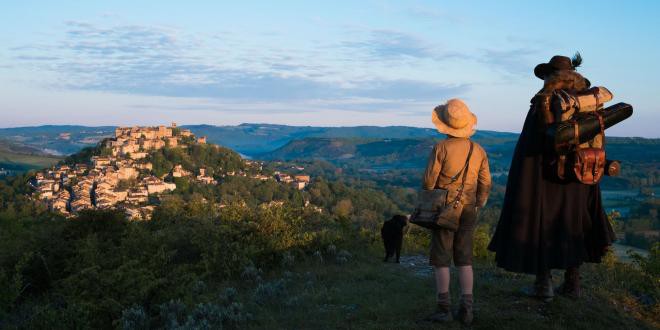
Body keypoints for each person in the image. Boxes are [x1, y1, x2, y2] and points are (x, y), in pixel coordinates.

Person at [487, 55, 616, 300]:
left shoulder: (545, 101)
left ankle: (543, 284)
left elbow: (531, 143)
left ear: (550, 76)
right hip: (580, 175)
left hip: (547, 177)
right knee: (574, 223)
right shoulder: (589, 103)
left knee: (543, 225)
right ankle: (572, 283)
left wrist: (523, 178)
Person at [422, 99, 491, 325]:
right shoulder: (478, 150)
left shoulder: (441, 148)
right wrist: (478, 202)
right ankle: (467, 309)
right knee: (464, 258)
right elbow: (485, 183)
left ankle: (444, 309)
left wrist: (431, 198)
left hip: (444, 208)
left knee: (441, 259)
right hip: (469, 207)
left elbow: (429, 181)